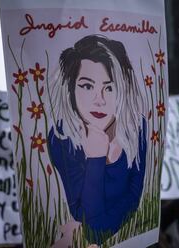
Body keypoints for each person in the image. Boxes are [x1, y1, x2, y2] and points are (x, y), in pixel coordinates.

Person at [47, 34, 147, 243]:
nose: (99, 100)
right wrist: (96, 159)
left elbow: (134, 200)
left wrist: (98, 224)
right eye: (87, 86)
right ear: (71, 88)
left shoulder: (136, 127)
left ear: (122, 90)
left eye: (109, 88)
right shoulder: (61, 137)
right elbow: (90, 224)